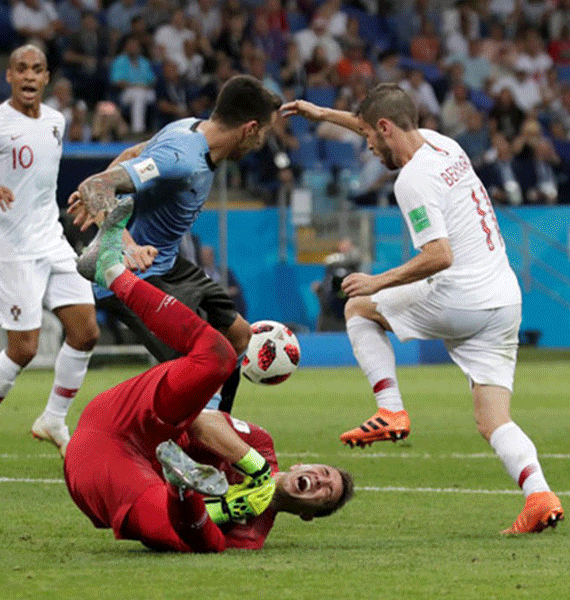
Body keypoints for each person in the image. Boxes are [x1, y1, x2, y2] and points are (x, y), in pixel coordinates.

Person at [281, 83, 565, 534]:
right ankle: (539, 496)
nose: (369, 147)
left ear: (387, 128)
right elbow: (368, 119)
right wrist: (322, 114)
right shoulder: (442, 143)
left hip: (461, 296)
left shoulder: (412, 180)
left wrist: (378, 280)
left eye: (372, 140)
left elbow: (439, 255)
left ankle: (390, 407)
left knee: (358, 307)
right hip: (504, 299)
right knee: (493, 420)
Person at [65, 197, 354, 552]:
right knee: (219, 355)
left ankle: (182, 487)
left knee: (197, 541)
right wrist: (257, 469)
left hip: (108, 470)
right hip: (130, 421)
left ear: (309, 514)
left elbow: (195, 534)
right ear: (302, 464)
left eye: (325, 493)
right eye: (325, 473)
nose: (320, 482)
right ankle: (112, 271)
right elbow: (202, 423)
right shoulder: (261, 445)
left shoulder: (251, 535)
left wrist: (227, 510)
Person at [68, 74, 282, 414]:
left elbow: (132, 152)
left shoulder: (188, 127)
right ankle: (182, 443)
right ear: (250, 128)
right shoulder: (180, 158)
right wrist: (126, 243)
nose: (261, 143)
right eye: (264, 133)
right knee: (200, 364)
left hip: (168, 263)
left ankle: (215, 428)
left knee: (239, 335)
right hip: (137, 276)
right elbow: (95, 186)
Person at [0, 45, 99, 472]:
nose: (29, 77)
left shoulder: (57, 122)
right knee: (24, 348)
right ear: (10, 77)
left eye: (37, 70)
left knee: (86, 332)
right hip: (13, 250)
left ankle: (53, 418)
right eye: (21, 69)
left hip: (52, 240)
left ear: (46, 78)